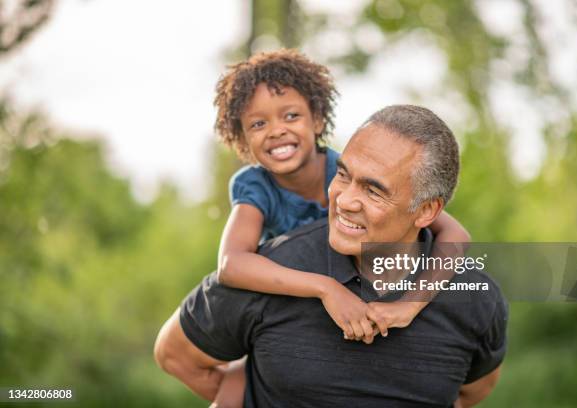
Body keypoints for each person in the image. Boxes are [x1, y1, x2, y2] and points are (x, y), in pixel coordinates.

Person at [154, 104, 508, 407]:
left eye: (373, 190)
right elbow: (175, 356)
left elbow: (471, 392)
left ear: (427, 211)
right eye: (343, 174)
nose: (343, 200)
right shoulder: (271, 269)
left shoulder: (476, 298)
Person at [200, 50, 469, 406]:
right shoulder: (255, 186)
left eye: (291, 115)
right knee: (230, 393)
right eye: (257, 124)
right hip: (290, 307)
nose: (276, 130)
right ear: (241, 137)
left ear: (317, 118)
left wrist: (411, 304)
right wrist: (325, 289)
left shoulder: (349, 172)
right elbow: (231, 265)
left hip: (362, 295)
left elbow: (456, 236)